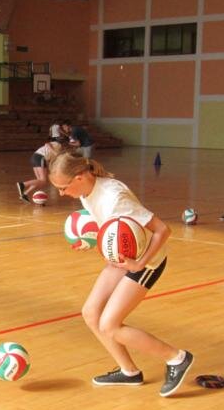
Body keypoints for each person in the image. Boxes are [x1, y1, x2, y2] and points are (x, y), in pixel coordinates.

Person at [49, 153, 195, 396]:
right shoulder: (86, 193)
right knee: (91, 313)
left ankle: (177, 358)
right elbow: (112, 227)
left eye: (63, 187)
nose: (61, 194)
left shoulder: (115, 197)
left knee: (110, 325)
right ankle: (129, 372)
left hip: (146, 262)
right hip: (122, 260)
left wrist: (139, 264)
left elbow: (162, 230)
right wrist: (91, 239)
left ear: (80, 177)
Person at [17, 137, 64, 202]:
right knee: (43, 180)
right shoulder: (58, 144)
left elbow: (50, 160)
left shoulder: (59, 151)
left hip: (35, 157)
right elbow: (47, 144)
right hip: (40, 157)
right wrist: (54, 152)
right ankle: (23, 184)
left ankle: (25, 194)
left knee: (40, 181)